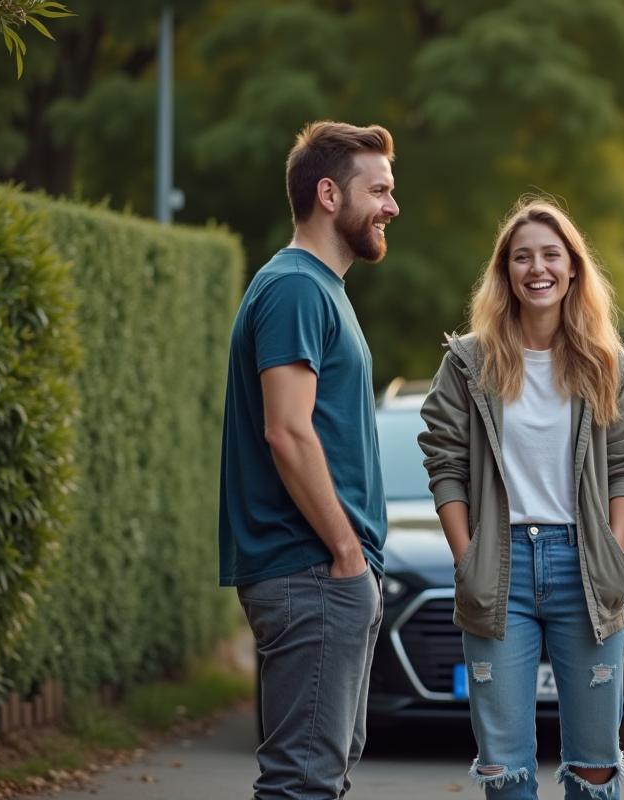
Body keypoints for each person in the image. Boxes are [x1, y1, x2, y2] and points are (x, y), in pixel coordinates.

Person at [418, 199, 624, 799]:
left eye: (551, 254)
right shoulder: (469, 363)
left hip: (585, 568)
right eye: (522, 257)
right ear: (506, 273)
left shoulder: (606, 364)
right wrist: (467, 554)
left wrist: (614, 552)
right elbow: (443, 458)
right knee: (505, 768)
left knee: (596, 766)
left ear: (573, 268)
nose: (537, 268)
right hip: (501, 569)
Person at [218, 121, 399, 800]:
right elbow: (288, 433)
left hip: (323, 574)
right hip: (312, 569)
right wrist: (348, 555)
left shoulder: (322, 290)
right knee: (303, 783)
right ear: (329, 194)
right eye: (377, 189)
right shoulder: (295, 288)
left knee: (321, 774)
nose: (391, 206)